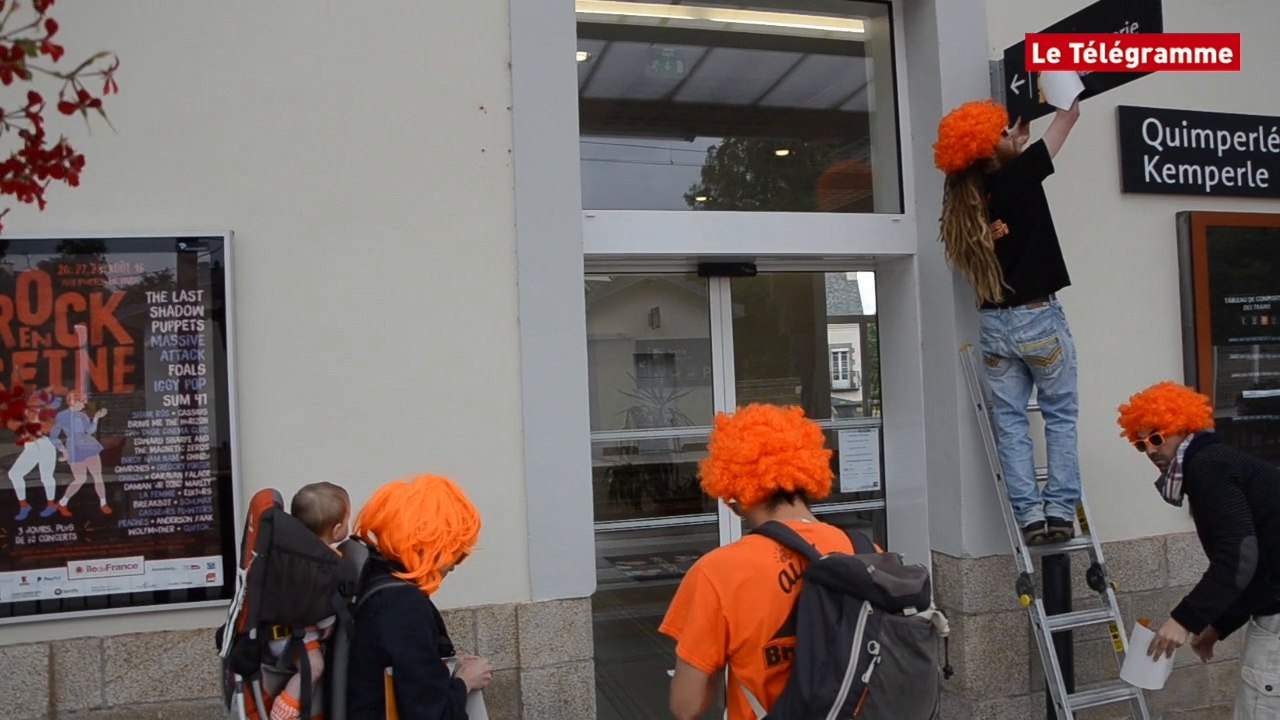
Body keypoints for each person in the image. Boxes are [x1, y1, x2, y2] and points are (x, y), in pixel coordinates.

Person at [934, 95, 1082, 545]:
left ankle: (1030, 517)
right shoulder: (1021, 176)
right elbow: (1069, 115)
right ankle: (1059, 510)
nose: (1010, 136)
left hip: (995, 328)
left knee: (1011, 422)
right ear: (988, 146)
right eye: (1001, 133)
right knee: (1059, 416)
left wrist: (1014, 142)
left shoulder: (964, 205)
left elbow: (1011, 159)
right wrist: (1065, 87)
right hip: (1038, 317)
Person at [661, 404, 869, 720]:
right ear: (809, 471)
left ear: (733, 490)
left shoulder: (717, 572)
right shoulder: (863, 551)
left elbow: (686, 706)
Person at [1117, 381, 1280, 718]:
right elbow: (1262, 563)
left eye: (1157, 438)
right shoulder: (1215, 462)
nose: (1150, 450)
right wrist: (1217, 629)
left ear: (1183, 426)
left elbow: (1239, 556)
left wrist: (1184, 620)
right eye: (1140, 443)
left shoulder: (1207, 467)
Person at [347, 474, 493, 720]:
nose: (454, 565)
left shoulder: (374, 579)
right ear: (430, 544)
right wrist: (465, 682)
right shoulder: (402, 606)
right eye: (455, 553)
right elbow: (430, 713)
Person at [268, 481, 352, 720]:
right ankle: (284, 710)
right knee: (314, 668)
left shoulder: (292, 552)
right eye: (347, 520)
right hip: (295, 636)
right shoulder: (323, 564)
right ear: (336, 530)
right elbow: (320, 603)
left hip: (279, 630)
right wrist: (327, 627)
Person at [6, 385, 63, 521]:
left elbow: (48, 421)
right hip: (31, 447)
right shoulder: (17, 410)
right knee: (14, 474)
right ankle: (24, 506)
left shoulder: (39, 408)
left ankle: (51, 505)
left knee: (46, 477)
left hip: (44, 445)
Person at [50, 391, 110, 517]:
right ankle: (62, 503)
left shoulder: (83, 416)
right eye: (82, 401)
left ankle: (103, 503)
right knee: (80, 479)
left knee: (98, 476)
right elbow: (54, 437)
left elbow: (89, 431)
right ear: (73, 401)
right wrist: (63, 450)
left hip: (89, 446)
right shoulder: (61, 416)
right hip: (74, 449)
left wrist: (96, 418)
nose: (85, 403)